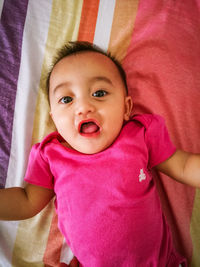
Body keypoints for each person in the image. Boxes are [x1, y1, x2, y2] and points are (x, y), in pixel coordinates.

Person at [0, 41, 199, 267]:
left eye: (99, 93)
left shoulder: (139, 135)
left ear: (126, 108)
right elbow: (27, 201)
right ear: (54, 118)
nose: (84, 106)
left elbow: (183, 166)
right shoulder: (51, 155)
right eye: (67, 99)